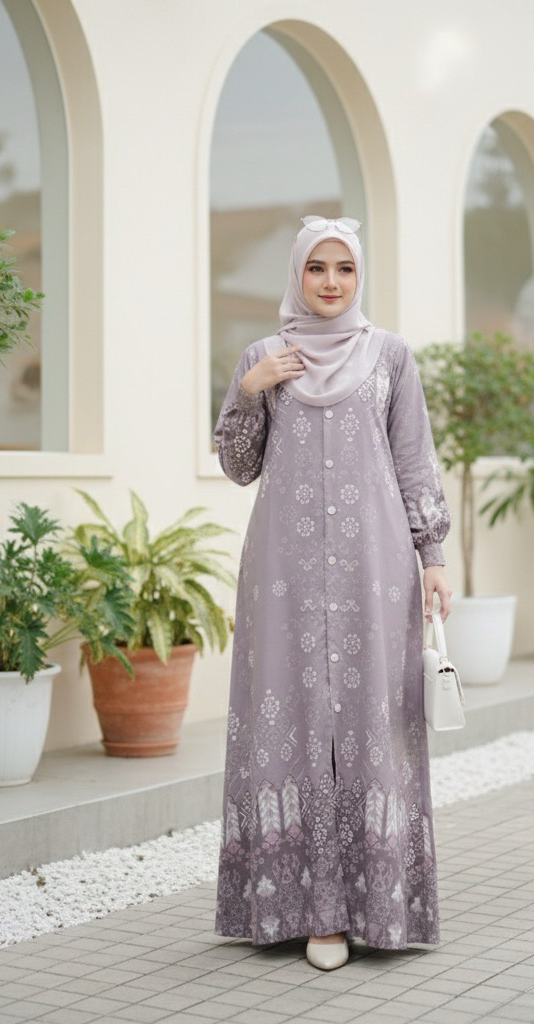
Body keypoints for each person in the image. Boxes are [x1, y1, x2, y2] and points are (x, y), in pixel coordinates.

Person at [212, 215, 452, 971]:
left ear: (359, 276)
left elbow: (413, 458)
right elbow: (238, 466)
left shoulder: (391, 356)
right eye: (316, 268)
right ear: (296, 274)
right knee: (290, 716)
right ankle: (303, 910)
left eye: (344, 268)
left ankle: (376, 906)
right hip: (282, 572)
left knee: (373, 720)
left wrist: (433, 557)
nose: (330, 282)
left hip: (373, 568)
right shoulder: (264, 358)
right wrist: (247, 392)